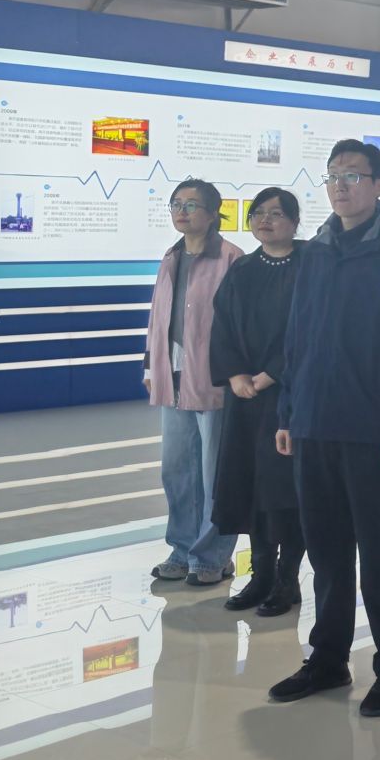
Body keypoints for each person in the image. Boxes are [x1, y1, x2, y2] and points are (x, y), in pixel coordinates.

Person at [267, 140, 380, 718]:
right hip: (314, 423)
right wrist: (289, 411)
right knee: (326, 552)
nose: (340, 185)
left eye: (354, 176)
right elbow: (297, 338)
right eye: (333, 175)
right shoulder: (315, 252)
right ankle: (328, 659)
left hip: (372, 430)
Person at [209, 187, 305, 616]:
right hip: (245, 397)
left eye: (276, 213)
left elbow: (313, 330)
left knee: (287, 490)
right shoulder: (242, 269)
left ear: (295, 222)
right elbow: (222, 327)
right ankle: (261, 575)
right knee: (251, 487)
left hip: (291, 395)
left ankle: (287, 579)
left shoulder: (311, 266)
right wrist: (235, 375)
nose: (266, 220)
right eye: (258, 213)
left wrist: (273, 374)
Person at [145, 179, 242, 587]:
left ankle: (212, 556)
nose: (181, 212)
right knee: (177, 471)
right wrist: (150, 366)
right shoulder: (170, 257)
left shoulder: (232, 259)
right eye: (176, 204)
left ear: (213, 213)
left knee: (214, 474)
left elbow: (241, 325)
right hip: (173, 378)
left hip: (214, 380)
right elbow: (157, 317)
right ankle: (182, 549)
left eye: (191, 204)